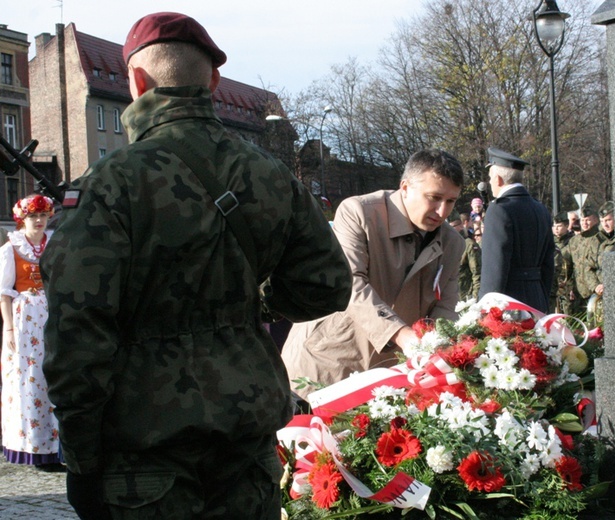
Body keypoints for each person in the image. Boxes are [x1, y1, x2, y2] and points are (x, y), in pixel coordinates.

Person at [40, 12, 351, 520]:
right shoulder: (273, 176)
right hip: (247, 453)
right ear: (211, 81)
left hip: (146, 458)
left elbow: (78, 331)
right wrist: (251, 302)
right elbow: (327, 286)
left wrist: (81, 458)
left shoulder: (110, 182)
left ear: (136, 83)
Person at [281, 149, 465, 397]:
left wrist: (435, 346)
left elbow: (446, 304)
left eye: (451, 201)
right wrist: (401, 334)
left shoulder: (453, 242)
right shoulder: (358, 212)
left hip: (391, 373)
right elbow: (351, 285)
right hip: (329, 360)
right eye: (434, 197)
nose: (443, 212)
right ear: (405, 187)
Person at [1, 195, 61, 471]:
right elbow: (4, 293)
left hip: (54, 316)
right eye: (33, 217)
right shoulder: (11, 247)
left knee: (56, 375)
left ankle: (58, 447)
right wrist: (10, 328)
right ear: (22, 220)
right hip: (25, 321)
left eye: (43, 216)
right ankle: (34, 448)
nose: (38, 221)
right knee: (29, 378)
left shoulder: (55, 243)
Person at [478, 147, 553, 313]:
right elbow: (548, 265)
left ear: (497, 179)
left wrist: (484, 311)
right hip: (537, 300)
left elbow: (494, 270)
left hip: (509, 306)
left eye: (490, 178)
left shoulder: (498, 210)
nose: (490, 183)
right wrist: (542, 300)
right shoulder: (541, 209)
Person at [566, 205, 604, 316]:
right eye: (582, 220)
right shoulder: (574, 241)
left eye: (587, 220)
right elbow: (568, 266)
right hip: (578, 292)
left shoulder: (600, 238)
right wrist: (569, 288)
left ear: (596, 220)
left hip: (596, 291)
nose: (584, 223)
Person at [551, 212, 574, 314]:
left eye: (559, 226)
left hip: (567, 287)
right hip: (554, 287)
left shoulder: (572, 241)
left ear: (566, 226)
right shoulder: (549, 242)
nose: (556, 228)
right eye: (554, 226)